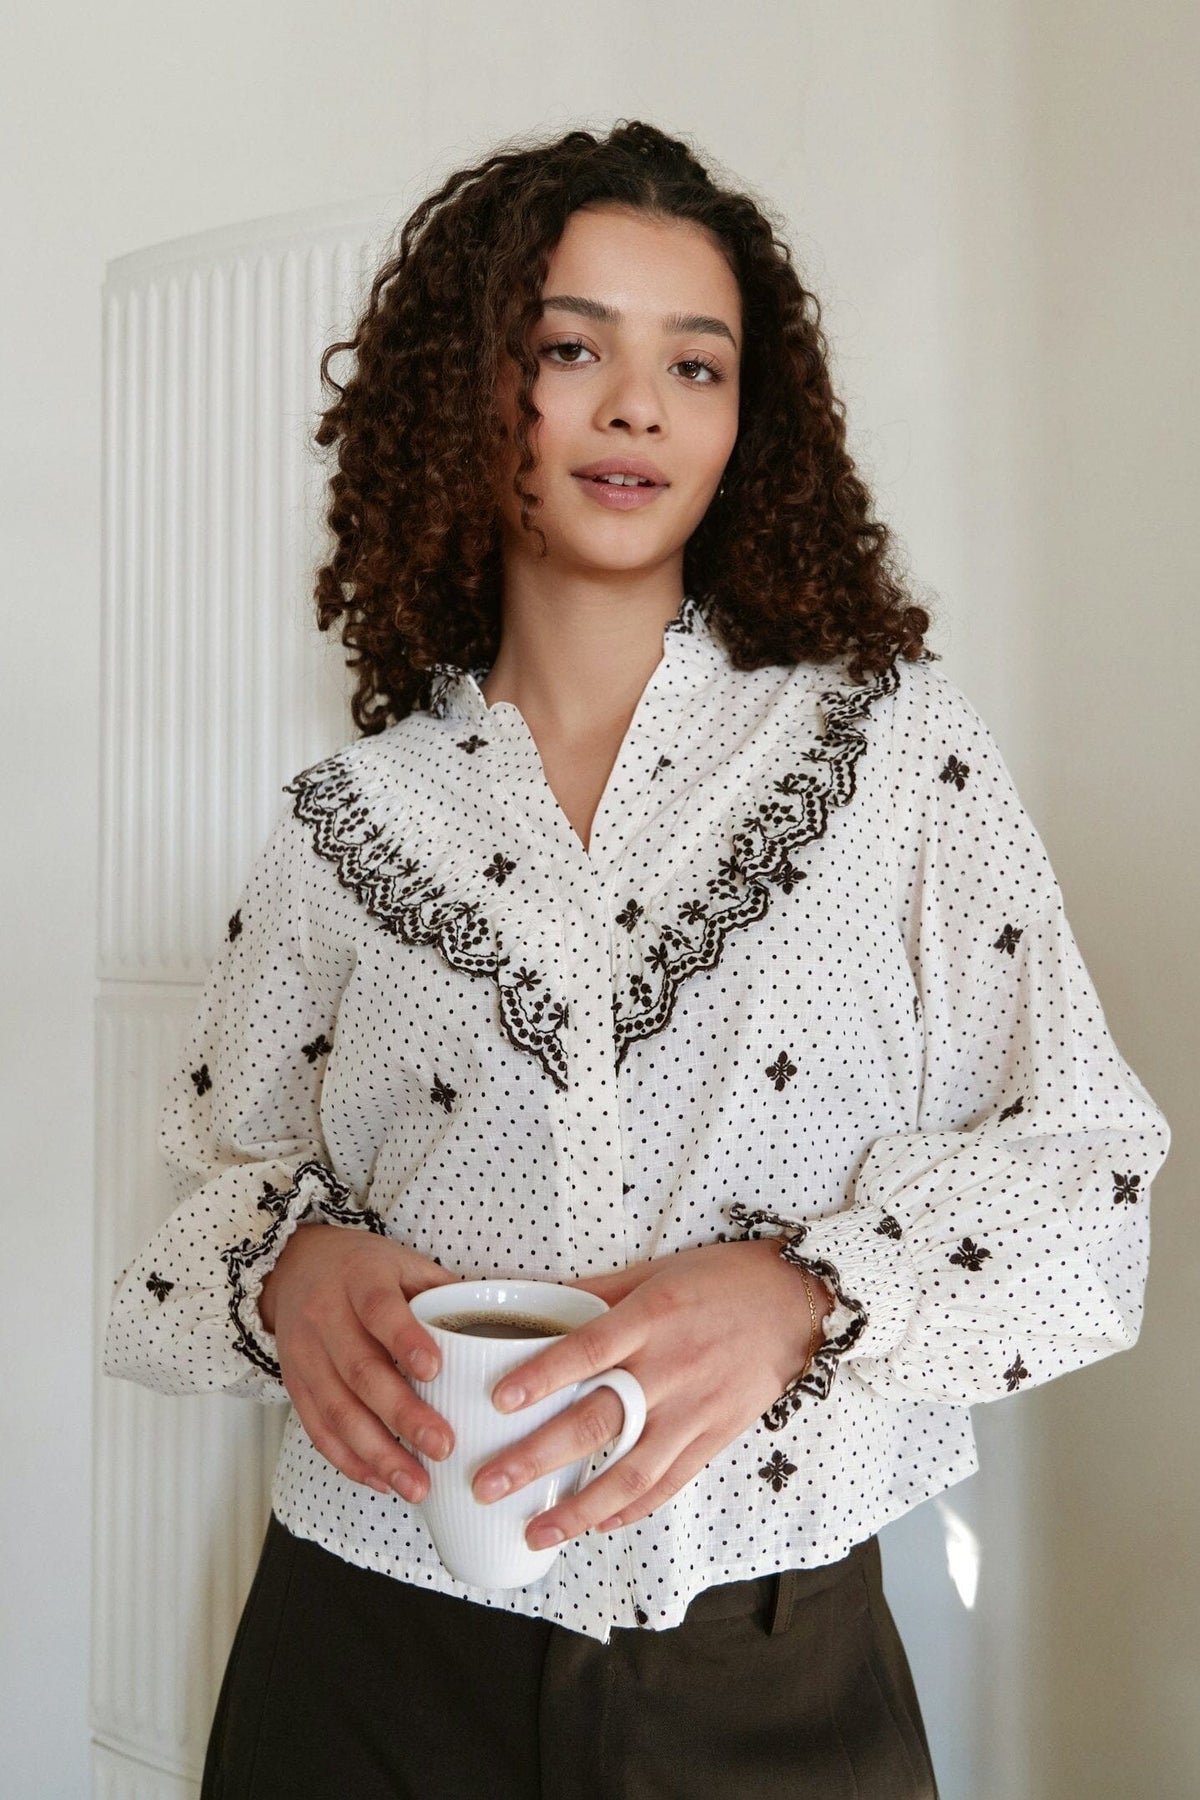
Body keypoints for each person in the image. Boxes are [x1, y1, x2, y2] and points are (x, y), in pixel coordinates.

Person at [102, 120, 1170, 1799]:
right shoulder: (346, 821)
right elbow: (212, 1191)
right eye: (571, 349)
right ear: (473, 391)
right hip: (367, 1650)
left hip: (773, 1669)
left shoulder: (895, 757)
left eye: (696, 363)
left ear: (750, 424)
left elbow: (1090, 1176)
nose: (637, 408)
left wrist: (808, 1293)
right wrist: (286, 1273)